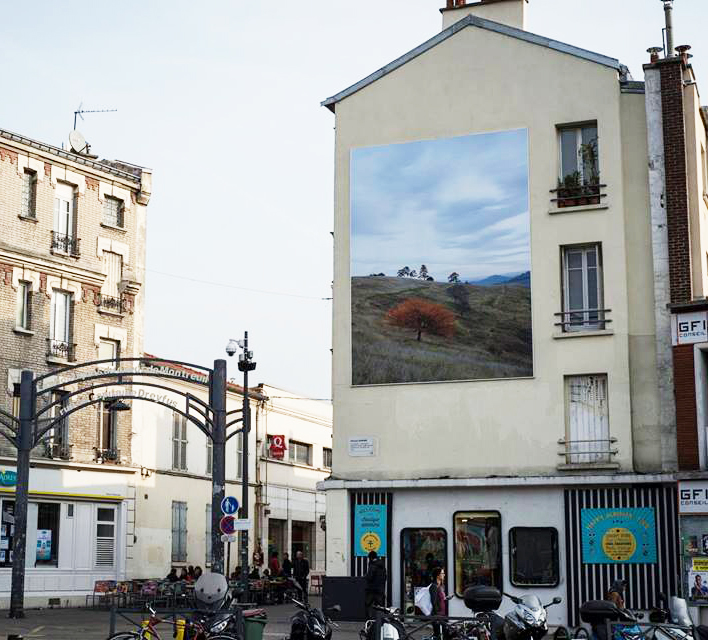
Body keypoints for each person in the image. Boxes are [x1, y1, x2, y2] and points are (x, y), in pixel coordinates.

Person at [429, 567, 451, 640]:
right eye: (442, 573)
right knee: (440, 635)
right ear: (438, 575)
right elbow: (433, 601)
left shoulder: (440, 586)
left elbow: (439, 599)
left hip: (442, 614)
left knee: (444, 635)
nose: (444, 575)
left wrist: (446, 598)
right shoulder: (433, 586)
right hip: (438, 615)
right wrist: (437, 616)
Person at [365, 550, 387, 619]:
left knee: (368, 604)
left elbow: (369, 577)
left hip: (372, 589)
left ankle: (370, 619)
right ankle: (381, 619)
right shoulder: (382, 565)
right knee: (380, 605)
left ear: (370, 558)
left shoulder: (372, 565)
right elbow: (385, 577)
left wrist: (366, 577)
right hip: (380, 589)